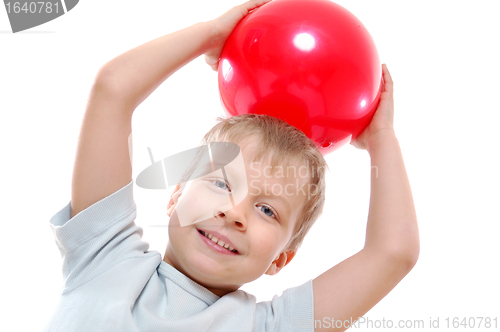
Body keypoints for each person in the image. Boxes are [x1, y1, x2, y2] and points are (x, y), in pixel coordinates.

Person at [44, 0, 419, 331]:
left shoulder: (266, 326)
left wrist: (382, 137)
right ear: (175, 196)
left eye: (267, 210)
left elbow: (394, 252)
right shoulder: (105, 256)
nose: (234, 212)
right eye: (222, 184)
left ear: (282, 259)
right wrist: (212, 35)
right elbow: (113, 89)